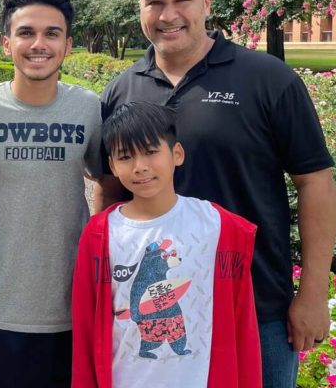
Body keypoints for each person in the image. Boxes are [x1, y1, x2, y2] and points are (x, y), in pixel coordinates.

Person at [95, 0, 336, 388]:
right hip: (157, 309)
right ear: (140, 11)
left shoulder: (267, 79)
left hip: (254, 304)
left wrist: (313, 292)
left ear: (207, 2)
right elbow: (111, 195)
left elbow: (314, 181)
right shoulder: (122, 89)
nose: (168, 14)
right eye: (153, 2)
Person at [0, 0, 103, 388]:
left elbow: (108, 183)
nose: (38, 44)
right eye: (26, 32)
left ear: (67, 45)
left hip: (72, 306)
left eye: (51, 33)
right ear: (6, 43)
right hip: (1, 306)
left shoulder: (88, 107)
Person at [72, 101, 260, 388]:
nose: (140, 167)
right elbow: (86, 327)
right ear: (112, 165)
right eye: (125, 157)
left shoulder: (219, 227)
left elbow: (241, 320)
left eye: (150, 152)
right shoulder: (100, 235)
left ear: (177, 154)